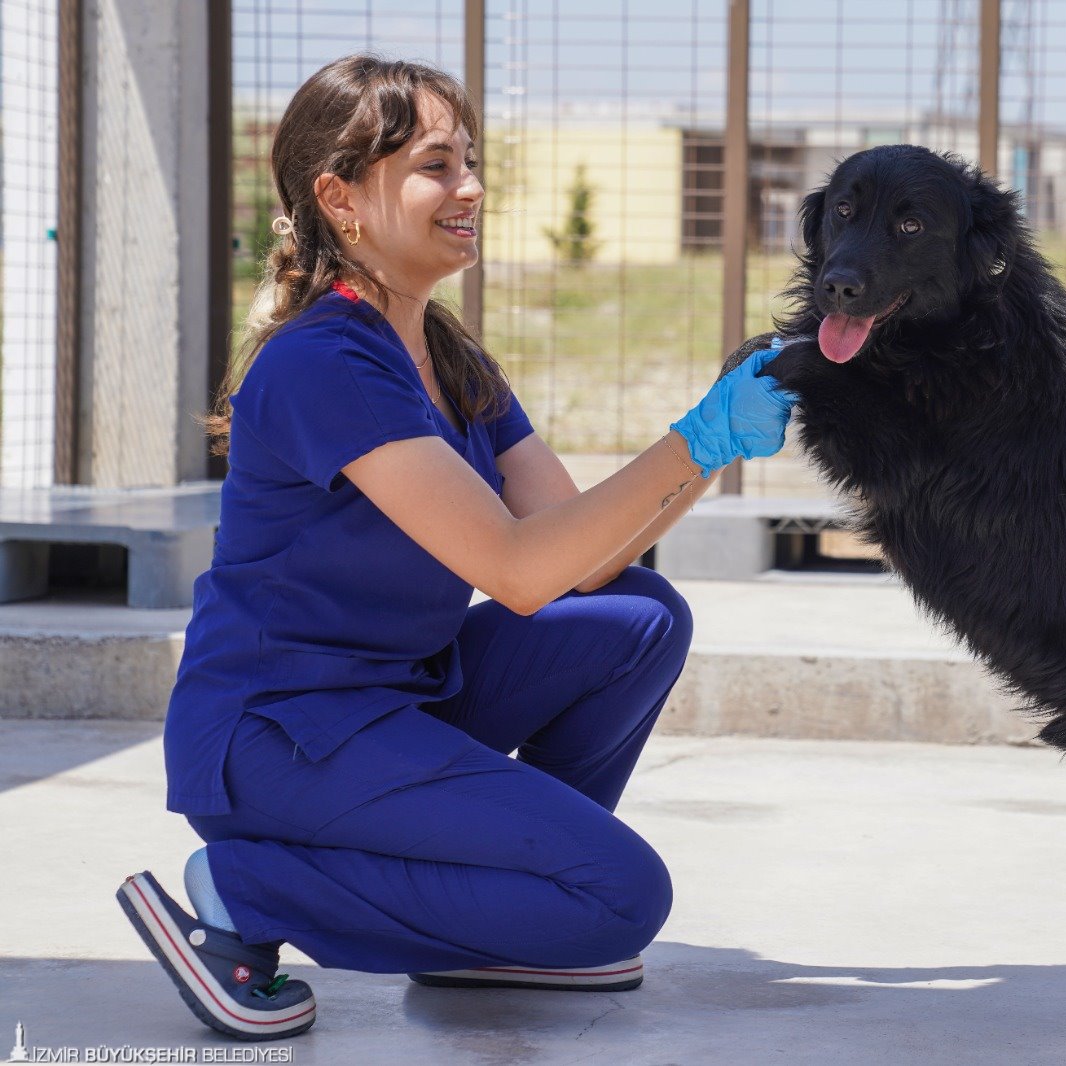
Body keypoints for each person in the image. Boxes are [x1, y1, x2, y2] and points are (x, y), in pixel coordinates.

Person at [114, 54, 798, 1042]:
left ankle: (480, 911)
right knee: (621, 896)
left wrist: (713, 444)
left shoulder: (448, 354)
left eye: (470, 160)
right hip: (280, 737)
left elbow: (585, 564)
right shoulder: (322, 362)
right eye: (437, 165)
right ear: (340, 198)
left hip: (399, 703)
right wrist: (698, 436)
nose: (471, 187)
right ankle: (245, 891)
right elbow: (517, 574)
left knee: (640, 619)